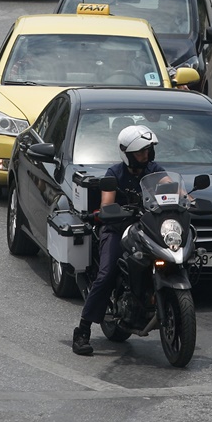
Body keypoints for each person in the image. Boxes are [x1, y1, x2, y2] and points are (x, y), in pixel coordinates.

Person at [72, 125, 166, 355]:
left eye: (148, 150)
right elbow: (107, 204)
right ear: (127, 153)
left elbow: (170, 188)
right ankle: (82, 331)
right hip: (117, 229)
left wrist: (188, 200)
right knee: (106, 274)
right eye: (141, 151)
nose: (146, 155)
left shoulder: (154, 170)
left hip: (147, 228)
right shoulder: (114, 174)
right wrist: (112, 211)